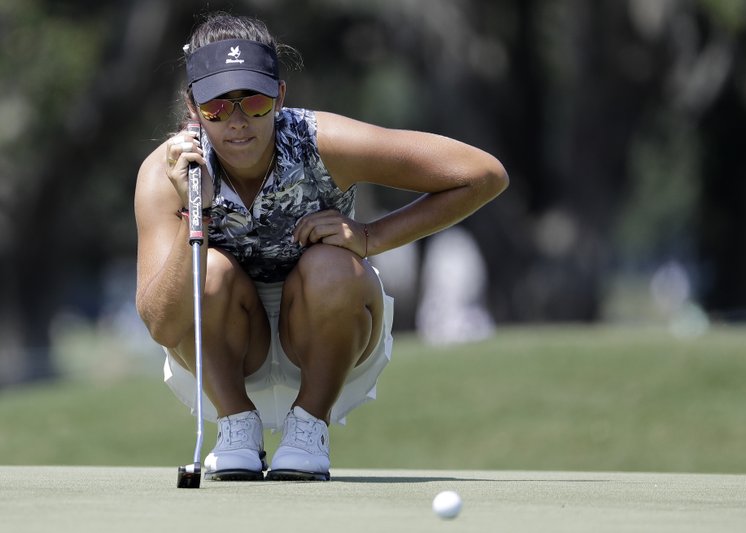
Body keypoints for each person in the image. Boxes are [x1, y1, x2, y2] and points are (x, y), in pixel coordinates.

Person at [134, 12, 507, 482]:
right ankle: (236, 426)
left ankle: (309, 426)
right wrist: (199, 213)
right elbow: (162, 325)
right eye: (216, 106)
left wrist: (372, 237)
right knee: (206, 270)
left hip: (328, 337)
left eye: (254, 100)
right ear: (193, 107)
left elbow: (483, 174)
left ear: (280, 96)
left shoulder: (321, 142)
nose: (238, 121)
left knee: (333, 265)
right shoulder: (165, 174)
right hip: (219, 356)